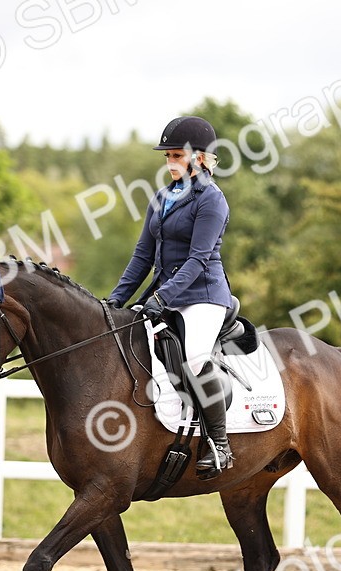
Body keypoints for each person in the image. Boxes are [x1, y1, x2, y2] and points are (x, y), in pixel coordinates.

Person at [106, 115, 235, 476]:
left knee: (193, 358)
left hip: (204, 295)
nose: (170, 162)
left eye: (176, 155)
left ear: (198, 157)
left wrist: (162, 299)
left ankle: (220, 444)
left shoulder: (211, 200)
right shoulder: (162, 197)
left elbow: (198, 259)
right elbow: (142, 256)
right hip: (166, 294)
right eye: (167, 156)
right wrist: (116, 300)